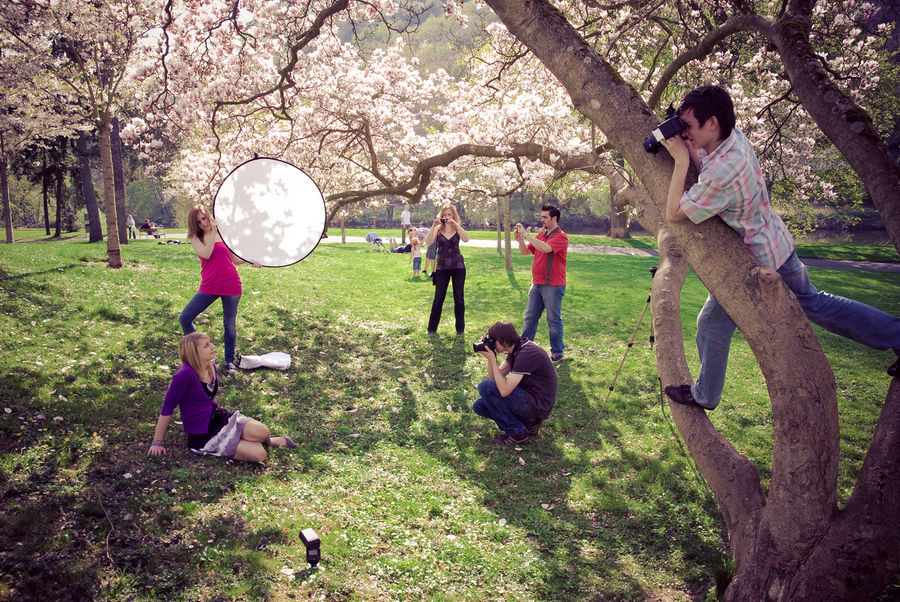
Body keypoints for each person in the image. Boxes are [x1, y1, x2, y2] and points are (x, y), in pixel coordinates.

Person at [660, 84, 900, 410]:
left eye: (689, 126)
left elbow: (675, 213)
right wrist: (689, 146)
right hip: (777, 243)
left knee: (714, 323)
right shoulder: (732, 140)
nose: (685, 132)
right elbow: (707, 172)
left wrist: (678, 160)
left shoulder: (724, 170)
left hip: (759, 260)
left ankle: (705, 396)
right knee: (815, 304)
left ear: (712, 123)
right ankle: (897, 335)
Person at [148, 332, 295, 461]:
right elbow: (167, 409)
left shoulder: (210, 366)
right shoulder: (183, 375)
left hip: (220, 418)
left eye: (210, 342)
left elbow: (208, 398)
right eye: (206, 345)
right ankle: (240, 440)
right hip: (203, 433)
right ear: (194, 352)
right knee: (259, 455)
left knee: (263, 431)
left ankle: (266, 441)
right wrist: (157, 442)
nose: (212, 346)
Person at [179, 204, 258, 373]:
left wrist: (252, 260)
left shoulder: (223, 234)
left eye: (204, 217)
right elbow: (207, 253)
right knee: (185, 318)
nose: (203, 223)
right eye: (199, 221)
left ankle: (229, 362)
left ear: (208, 215)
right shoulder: (195, 237)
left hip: (231, 284)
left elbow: (234, 259)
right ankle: (198, 356)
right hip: (209, 285)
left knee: (229, 325)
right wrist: (214, 232)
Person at [472, 321, 558, 445]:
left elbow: (504, 390)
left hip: (538, 403)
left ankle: (516, 432)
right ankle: (529, 423)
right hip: (529, 398)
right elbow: (494, 377)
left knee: (485, 386)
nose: (493, 345)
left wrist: (492, 359)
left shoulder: (526, 353)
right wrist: (491, 359)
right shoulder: (517, 348)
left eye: (493, 341)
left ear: (503, 340)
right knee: (480, 406)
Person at [515, 205, 569, 362]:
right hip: (536, 284)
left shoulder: (561, 237)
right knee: (530, 316)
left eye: (545, 217)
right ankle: (523, 347)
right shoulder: (540, 235)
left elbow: (546, 249)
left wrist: (526, 235)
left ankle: (557, 352)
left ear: (554, 218)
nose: (542, 219)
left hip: (553, 286)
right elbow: (526, 252)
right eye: (541, 217)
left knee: (553, 319)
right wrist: (520, 240)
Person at [424, 203, 469, 335]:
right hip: (442, 267)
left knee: (459, 298)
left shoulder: (457, 228)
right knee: (438, 298)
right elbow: (428, 242)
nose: (447, 217)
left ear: (453, 215)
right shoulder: (437, 228)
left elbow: (466, 239)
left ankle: (460, 329)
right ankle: (431, 328)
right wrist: (433, 225)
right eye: (445, 214)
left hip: (458, 267)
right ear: (441, 215)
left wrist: (456, 224)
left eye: (450, 214)